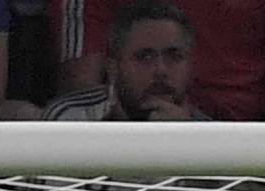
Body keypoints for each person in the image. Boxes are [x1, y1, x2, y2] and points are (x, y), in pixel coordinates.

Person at [42, 0, 204, 119]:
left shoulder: (210, 134)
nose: (160, 70)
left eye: (174, 57)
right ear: (113, 68)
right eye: (145, 57)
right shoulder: (72, 118)